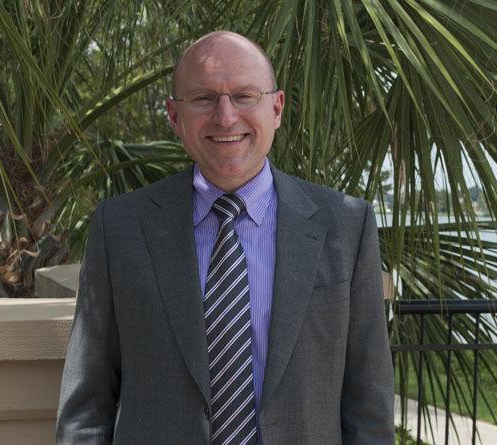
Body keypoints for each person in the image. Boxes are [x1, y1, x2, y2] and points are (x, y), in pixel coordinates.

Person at [56, 31, 394, 444]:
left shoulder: (345, 226)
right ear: (174, 116)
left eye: (245, 96)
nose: (226, 116)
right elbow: (87, 404)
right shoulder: (120, 228)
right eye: (203, 99)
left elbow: (369, 405)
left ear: (276, 108)